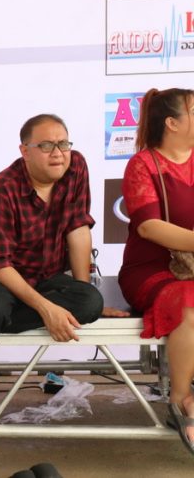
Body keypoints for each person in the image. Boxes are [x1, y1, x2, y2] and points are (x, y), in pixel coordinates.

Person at [0, 114, 107, 426]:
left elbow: (78, 228)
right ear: (25, 151)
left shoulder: (76, 167)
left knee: (89, 302)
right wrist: (45, 308)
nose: (58, 153)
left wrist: (81, 288)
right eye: (46, 146)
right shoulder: (1, 190)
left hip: (44, 275)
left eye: (63, 144)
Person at [118, 88, 194, 454]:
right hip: (150, 269)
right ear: (172, 123)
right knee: (188, 299)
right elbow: (148, 227)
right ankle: (181, 400)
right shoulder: (142, 164)